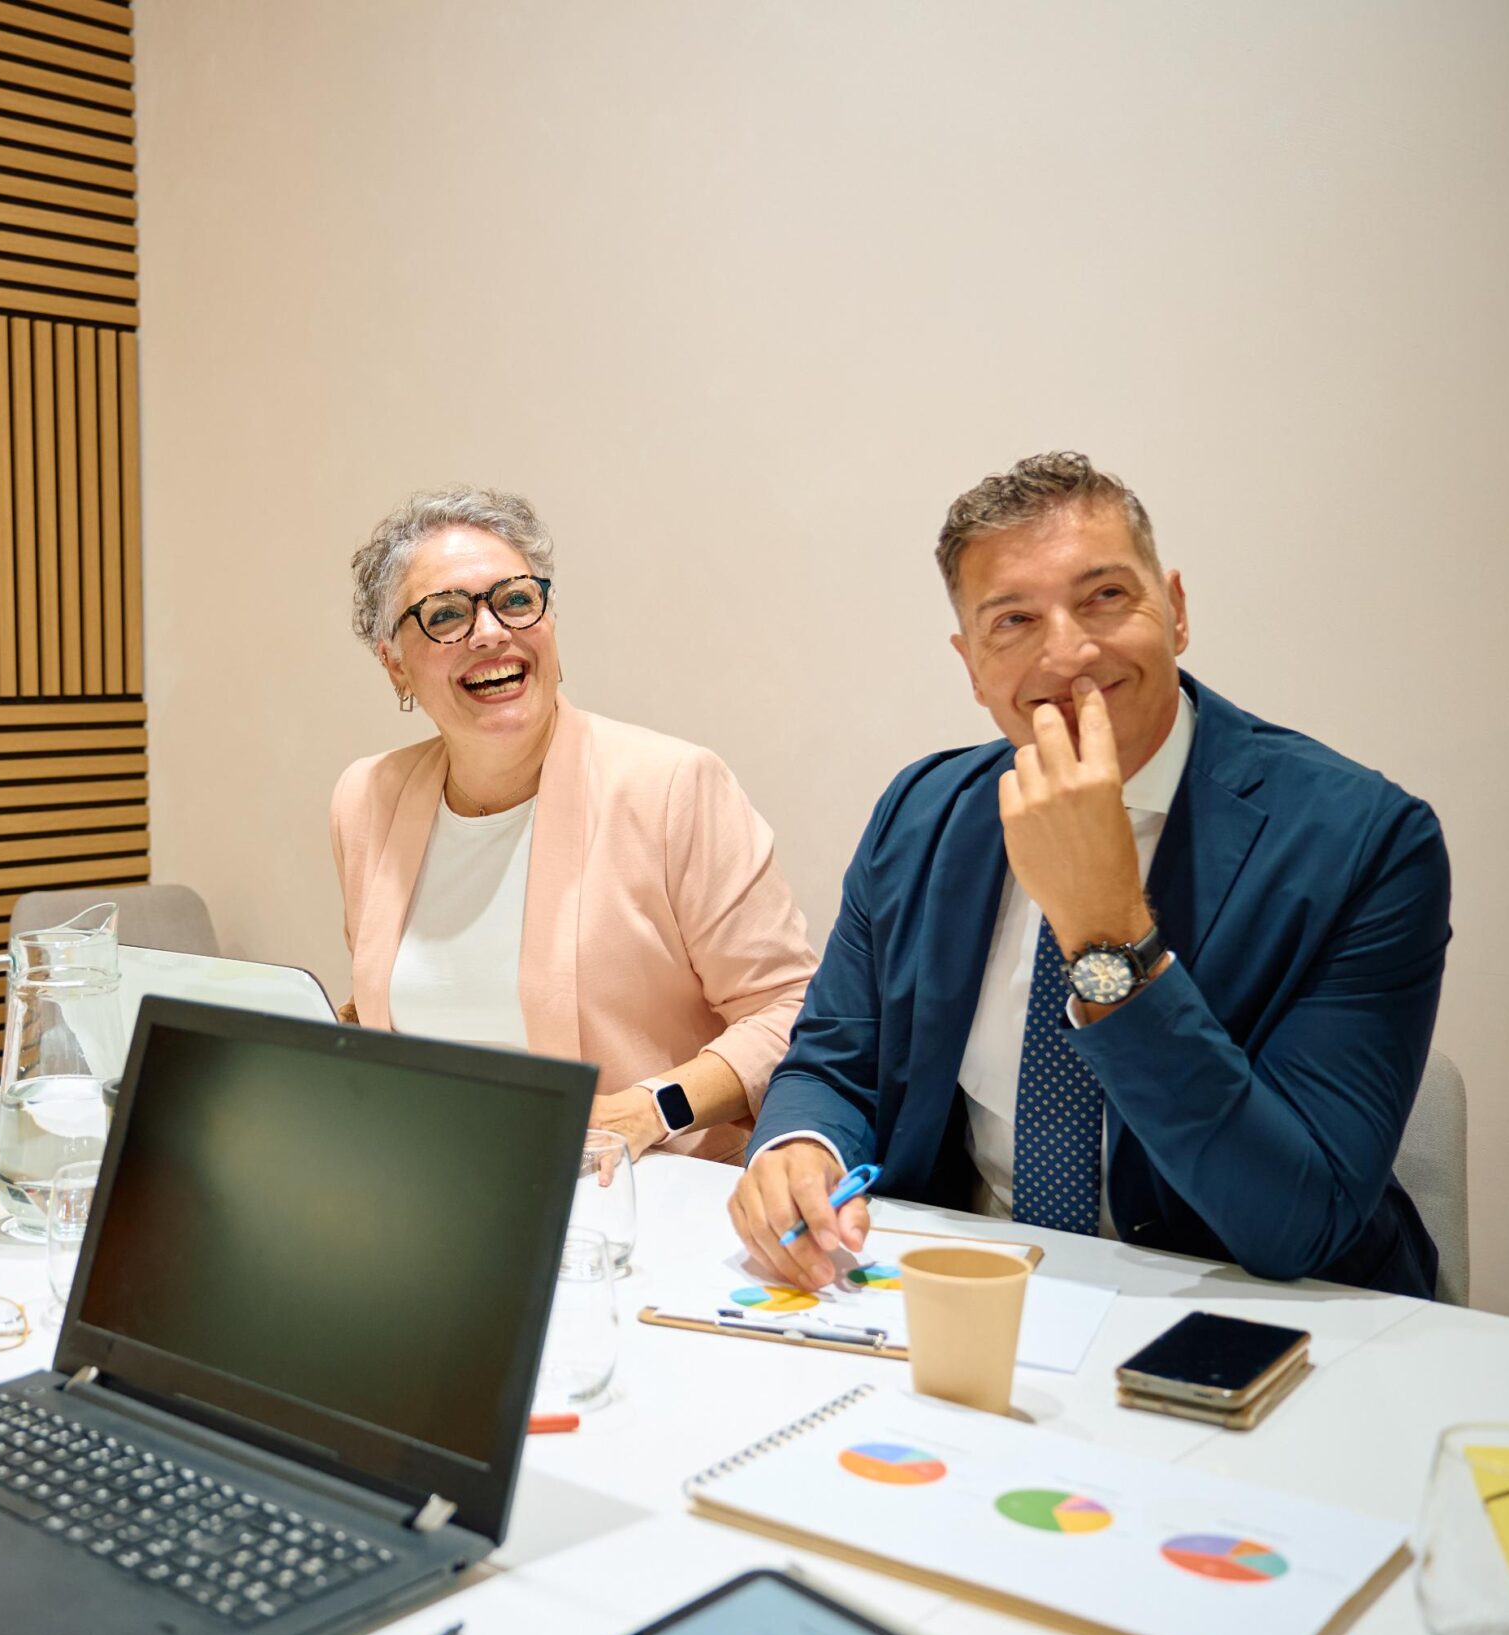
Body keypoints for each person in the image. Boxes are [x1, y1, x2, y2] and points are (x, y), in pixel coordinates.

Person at [729, 452, 1445, 1298]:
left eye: (1105, 596)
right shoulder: (923, 812)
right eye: (1014, 620)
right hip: (982, 1297)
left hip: (1255, 1317)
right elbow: (833, 1063)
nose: (1067, 653)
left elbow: (1299, 1219)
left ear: (1174, 610)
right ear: (970, 663)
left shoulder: (1364, 841)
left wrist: (1105, 927)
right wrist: (801, 1146)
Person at [332, 487, 818, 1162]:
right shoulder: (367, 797)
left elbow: (792, 1011)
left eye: (516, 599)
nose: (491, 631)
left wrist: (655, 1106)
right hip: (435, 1183)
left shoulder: (672, 785)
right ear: (394, 663)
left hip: (637, 1201)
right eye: (445, 614)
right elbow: (388, 1009)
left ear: (548, 620)